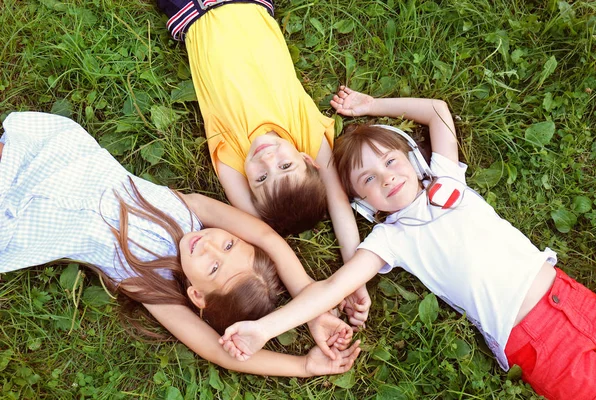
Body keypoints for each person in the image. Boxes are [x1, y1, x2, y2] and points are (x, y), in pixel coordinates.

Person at [218, 86, 596, 398]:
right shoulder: (391, 238)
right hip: (537, 339)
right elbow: (332, 288)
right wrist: (264, 329)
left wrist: (370, 106)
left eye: (389, 161)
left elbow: (437, 111)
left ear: (413, 159)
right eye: (366, 180)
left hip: (572, 296)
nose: (384, 177)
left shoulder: (448, 179)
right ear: (364, 205)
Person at [0, 111, 361, 377]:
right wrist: (313, 311)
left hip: (27, 217)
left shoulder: (148, 282)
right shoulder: (190, 210)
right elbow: (269, 238)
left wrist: (304, 366)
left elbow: (214, 350)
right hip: (62, 158)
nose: (210, 247)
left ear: (198, 297)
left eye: (215, 268)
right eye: (231, 245)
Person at [155, 3, 367, 296]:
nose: (268, 159)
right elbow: (338, 202)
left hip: (195, 11)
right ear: (308, 160)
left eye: (261, 178)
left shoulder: (231, 150)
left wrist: (309, 294)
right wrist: (355, 279)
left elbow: (261, 231)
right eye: (285, 166)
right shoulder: (302, 130)